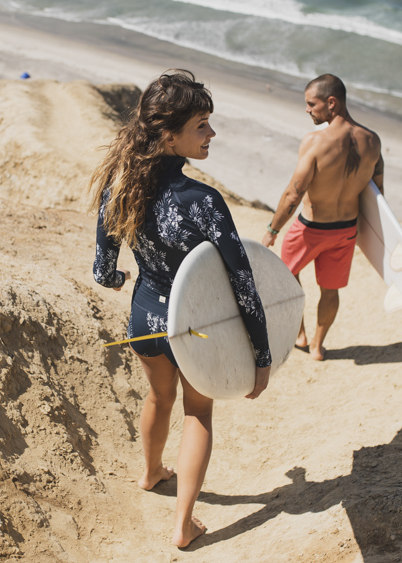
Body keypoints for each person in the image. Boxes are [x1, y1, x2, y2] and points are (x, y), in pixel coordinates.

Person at [90, 69, 272, 548]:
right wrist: (262, 355)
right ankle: (183, 525)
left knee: (157, 399)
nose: (212, 134)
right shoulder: (204, 202)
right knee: (198, 414)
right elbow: (244, 283)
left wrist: (119, 279)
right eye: (202, 126)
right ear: (169, 136)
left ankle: (150, 473)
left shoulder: (121, 187)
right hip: (195, 330)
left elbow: (102, 268)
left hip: (144, 320)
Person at [261, 74, 384, 361]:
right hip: (345, 232)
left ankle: (299, 334)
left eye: (311, 104)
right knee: (330, 291)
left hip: (310, 229)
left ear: (332, 102)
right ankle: (317, 345)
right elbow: (378, 195)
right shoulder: (373, 141)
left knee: (286, 277)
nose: (307, 110)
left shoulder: (315, 142)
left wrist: (273, 229)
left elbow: (293, 194)